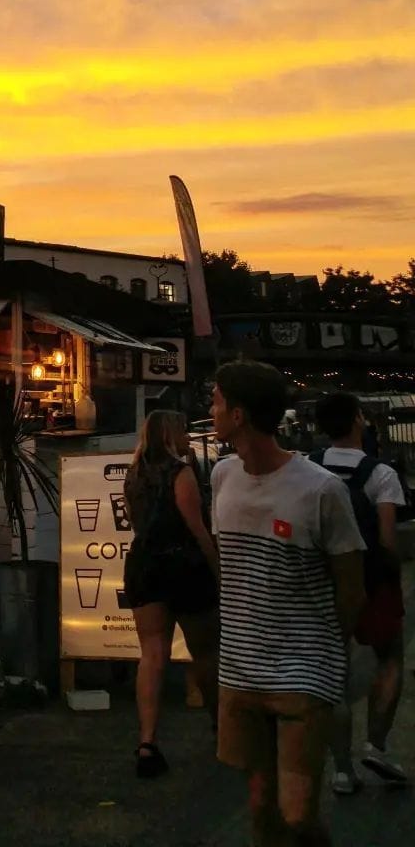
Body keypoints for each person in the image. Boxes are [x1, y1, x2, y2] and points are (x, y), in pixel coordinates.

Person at [210, 360, 366, 847]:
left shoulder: (321, 490)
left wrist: (327, 651)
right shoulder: (221, 477)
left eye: (215, 402)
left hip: (304, 672)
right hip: (240, 670)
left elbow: (351, 588)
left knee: (297, 816)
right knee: (261, 809)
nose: (209, 410)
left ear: (238, 415)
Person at [311, 391, 407, 792]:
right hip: (372, 580)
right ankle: (376, 744)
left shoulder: (309, 468)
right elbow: (387, 539)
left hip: (323, 581)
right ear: (356, 420)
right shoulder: (380, 474)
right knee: (390, 658)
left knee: (335, 670)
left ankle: (341, 770)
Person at [121, 409, 219, 778]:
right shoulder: (180, 473)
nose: (188, 439)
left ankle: (147, 741)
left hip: (144, 565)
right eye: (183, 432)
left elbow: (135, 522)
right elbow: (196, 527)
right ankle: (220, 726)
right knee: (205, 651)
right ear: (170, 435)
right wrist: (216, 569)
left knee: (152, 654)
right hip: (183, 566)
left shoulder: (134, 474)